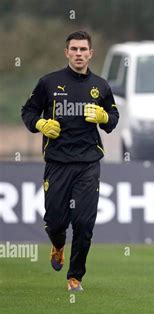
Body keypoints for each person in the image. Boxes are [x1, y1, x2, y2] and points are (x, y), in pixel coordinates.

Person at [21, 31, 119, 291]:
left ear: (90, 54)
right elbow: (28, 110)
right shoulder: (48, 83)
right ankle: (57, 244)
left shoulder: (101, 86)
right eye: (73, 49)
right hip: (57, 162)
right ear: (67, 53)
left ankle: (75, 277)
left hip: (88, 163)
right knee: (55, 221)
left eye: (83, 49)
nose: (78, 53)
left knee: (85, 223)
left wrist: (103, 117)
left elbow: (113, 117)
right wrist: (39, 123)